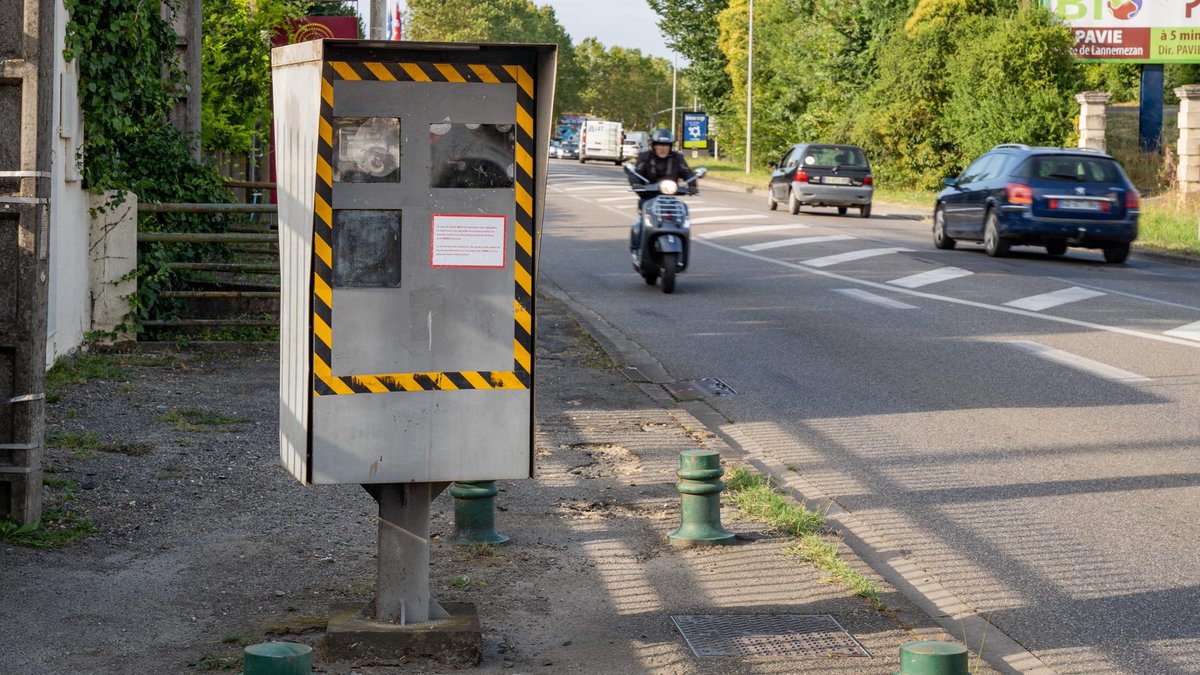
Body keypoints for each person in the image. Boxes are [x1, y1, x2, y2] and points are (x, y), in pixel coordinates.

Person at [629, 129, 693, 250]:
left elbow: (687, 172)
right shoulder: (645, 157)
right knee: (643, 218)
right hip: (648, 197)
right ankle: (639, 247)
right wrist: (636, 184)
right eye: (659, 145)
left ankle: (683, 245)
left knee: (683, 210)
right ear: (653, 145)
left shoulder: (677, 158)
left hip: (671, 198)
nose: (663, 148)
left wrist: (693, 185)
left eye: (666, 145)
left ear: (670, 146)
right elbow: (635, 173)